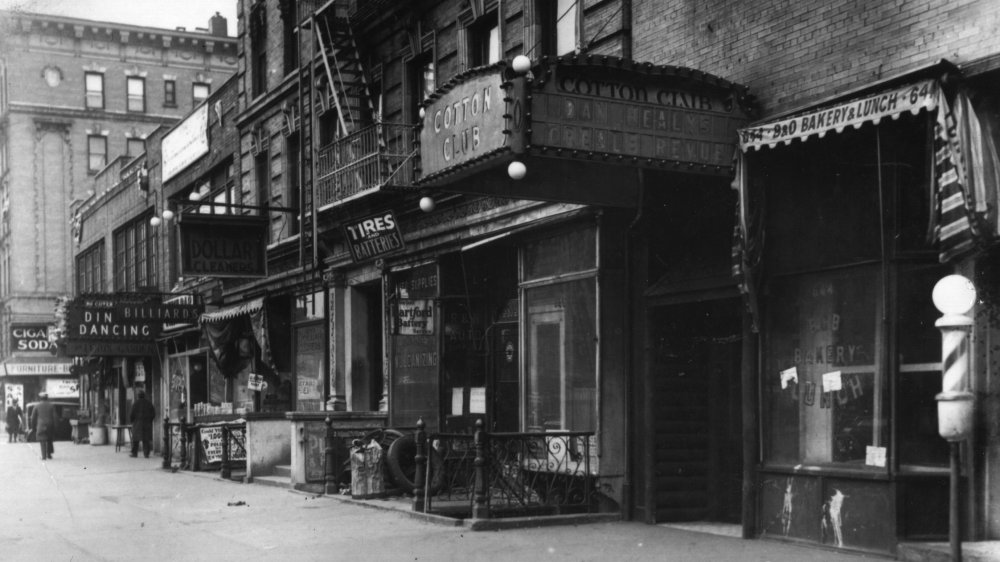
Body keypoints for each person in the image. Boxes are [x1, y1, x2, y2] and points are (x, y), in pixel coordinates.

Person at [30, 392, 57, 460]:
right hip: (50, 425)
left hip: (41, 425)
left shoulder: (37, 406)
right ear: (47, 398)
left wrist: (33, 427)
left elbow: (33, 418)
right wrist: (55, 426)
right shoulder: (51, 406)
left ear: (40, 398)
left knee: (42, 440)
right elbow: (55, 417)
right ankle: (49, 454)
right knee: (49, 439)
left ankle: (44, 456)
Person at [129, 391, 156, 458]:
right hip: (146, 424)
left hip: (137, 424)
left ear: (138, 396)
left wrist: (132, 421)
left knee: (135, 440)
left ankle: (134, 453)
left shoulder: (135, 404)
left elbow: (132, 414)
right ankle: (146, 453)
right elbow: (153, 414)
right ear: (144, 396)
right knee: (146, 439)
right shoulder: (149, 403)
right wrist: (150, 420)